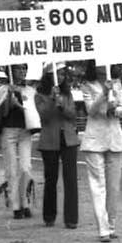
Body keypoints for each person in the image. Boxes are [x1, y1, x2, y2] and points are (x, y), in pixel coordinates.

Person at [79, 61, 122, 242]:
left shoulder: (117, 82)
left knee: (113, 186)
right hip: (94, 139)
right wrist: (104, 94)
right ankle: (103, 228)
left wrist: (117, 110)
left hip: (114, 137)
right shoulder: (87, 85)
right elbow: (90, 110)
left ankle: (112, 225)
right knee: (97, 185)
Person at [0, 64, 37, 219]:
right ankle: (15, 206)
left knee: (26, 167)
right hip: (9, 131)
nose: (22, 72)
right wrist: (9, 101)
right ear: (10, 71)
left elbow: (32, 112)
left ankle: (25, 201)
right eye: (18, 69)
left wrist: (19, 105)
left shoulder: (30, 90)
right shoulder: (3, 90)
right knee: (11, 168)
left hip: (25, 131)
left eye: (24, 69)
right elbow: (1, 114)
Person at [35, 65, 79, 228]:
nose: (60, 77)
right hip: (49, 140)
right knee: (50, 179)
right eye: (56, 74)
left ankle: (71, 218)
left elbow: (73, 115)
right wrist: (53, 100)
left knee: (71, 179)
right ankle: (49, 216)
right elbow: (44, 116)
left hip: (68, 138)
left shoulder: (67, 94)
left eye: (62, 74)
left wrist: (62, 105)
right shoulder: (39, 96)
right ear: (48, 76)